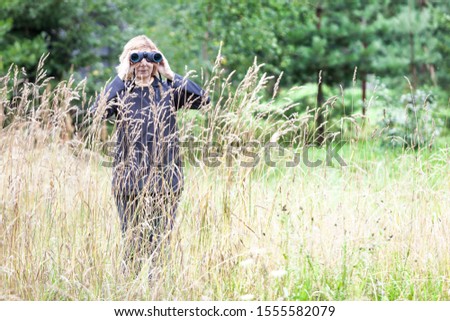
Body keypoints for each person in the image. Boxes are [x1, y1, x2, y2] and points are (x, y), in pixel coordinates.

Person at [89, 35, 210, 272]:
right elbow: (96, 113)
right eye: (136, 57)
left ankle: (157, 298)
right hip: (129, 182)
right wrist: (121, 77)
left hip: (166, 181)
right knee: (132, 246)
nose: (143, 62)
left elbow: (203, 100)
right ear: (127, 61)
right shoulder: (121, 93)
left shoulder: (168, 90)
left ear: (157, 60)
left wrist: (170, 73)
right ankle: (130, 297)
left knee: (159, 247)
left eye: (149, 56)